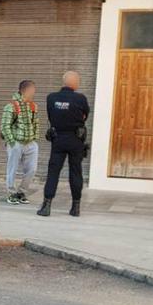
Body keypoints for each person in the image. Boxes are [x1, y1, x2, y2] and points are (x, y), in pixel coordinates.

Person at [37, 71, 90, 217]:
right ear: (75, 83)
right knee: (76, 172)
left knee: (53, 172)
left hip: (58, 139)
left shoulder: (51, 98)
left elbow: (50, 115)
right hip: (75, 139)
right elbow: (85, 116)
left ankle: (46, 206)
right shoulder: (80, 99)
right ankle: (75, 207)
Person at [1, 80, 40, 205]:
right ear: (25, 90)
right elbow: (5, 126)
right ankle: (11, 193)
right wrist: (12, 142)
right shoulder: (11, 106)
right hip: (16, 143)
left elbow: (36, 124)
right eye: (33, 89)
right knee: (12, 168)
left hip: (30, 143)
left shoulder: (33, 106)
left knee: (32, 169)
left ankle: (21, 192)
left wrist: (34, 139)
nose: (34, 92)